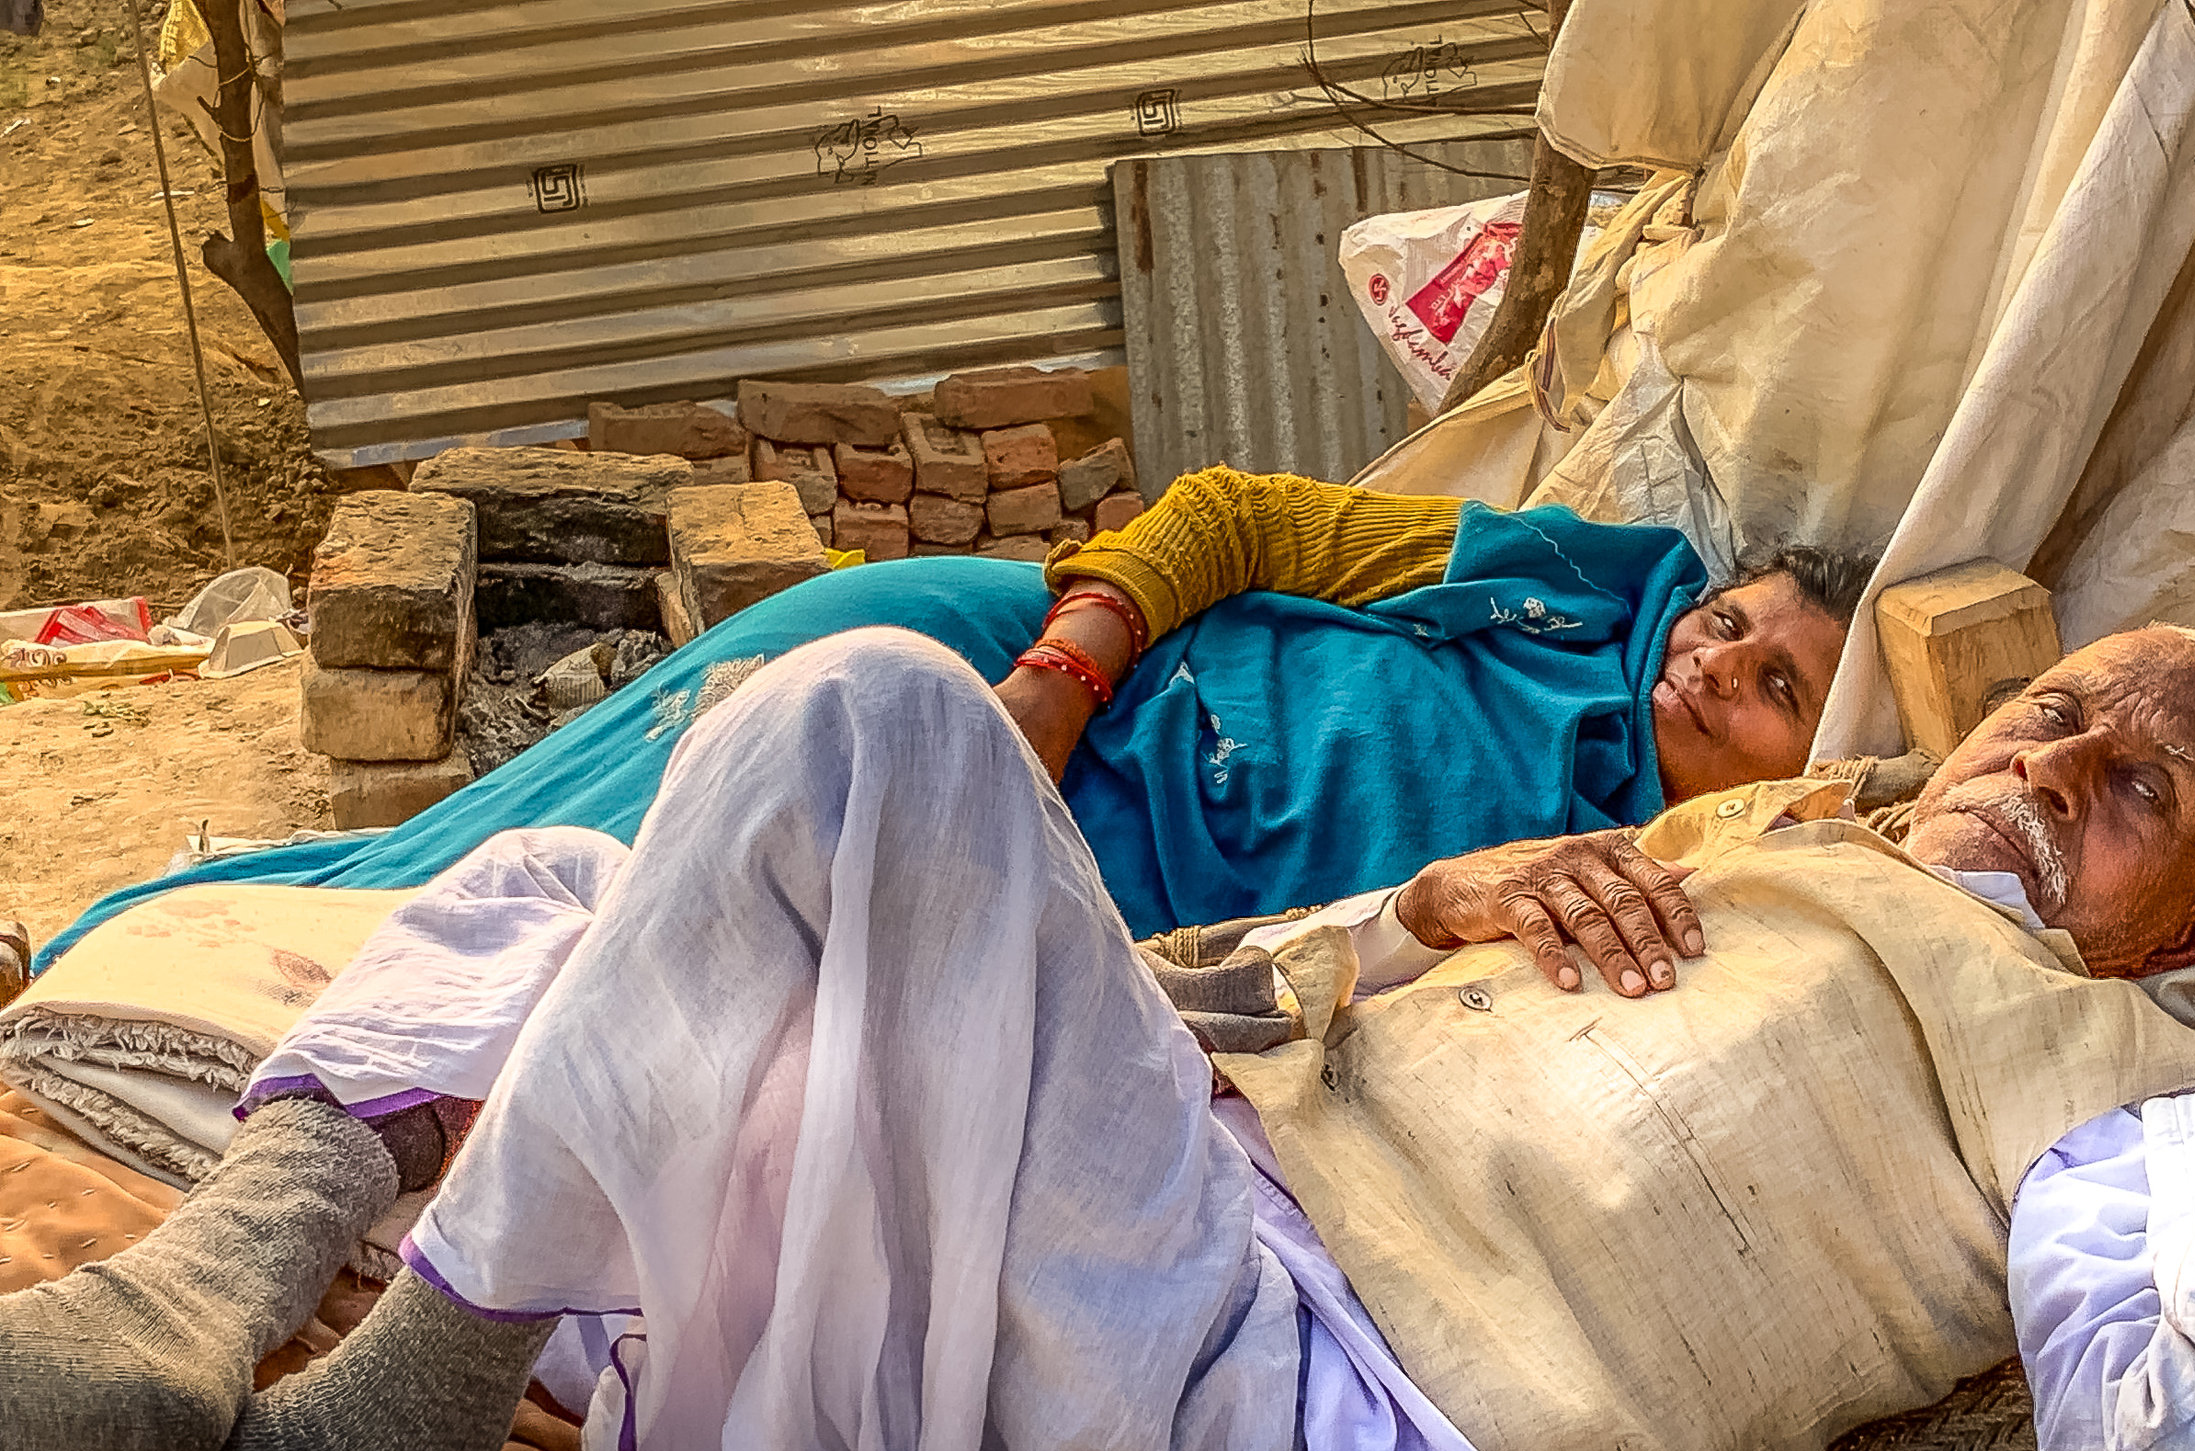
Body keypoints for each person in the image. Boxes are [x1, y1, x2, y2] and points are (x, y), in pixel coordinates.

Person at [0, 623, 2195, 1451]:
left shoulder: (2134, 1074)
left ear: (2175, 923)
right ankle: (236, 1273)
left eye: (2133, 797)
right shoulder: (1745, 847)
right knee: (561, 873)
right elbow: (1143, 1010)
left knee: (872, 715)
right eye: (2048, 715)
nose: (2047, 774)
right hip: (1120, 1293)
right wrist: (1415, 914)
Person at [35, 470, 1865, 962]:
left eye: (1775, 682)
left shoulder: (1643, 872)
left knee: (551, 930)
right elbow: (1226, 516)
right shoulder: (1554, 584)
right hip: (969, 673)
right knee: (509, 857)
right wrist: (1049, 691)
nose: (1709, 659)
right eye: (1727, 620)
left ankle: (130, 972)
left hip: (1036, 875)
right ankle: (113, 965)